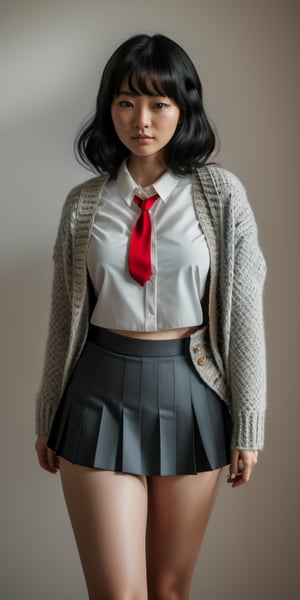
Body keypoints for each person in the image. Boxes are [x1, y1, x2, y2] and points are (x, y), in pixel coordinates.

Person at [35, 33, 266, 600]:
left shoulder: (221, 194)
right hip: (96, 391)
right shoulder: (83, 203)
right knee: (117, 593)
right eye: (126, 101)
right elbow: (64, 318)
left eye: (159, 103)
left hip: (192, 391)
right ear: (108, 108)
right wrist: (47, 409)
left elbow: (245, 314)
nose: (142, 119)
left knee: (168, 590)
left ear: (184, 108)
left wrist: (250, 422)